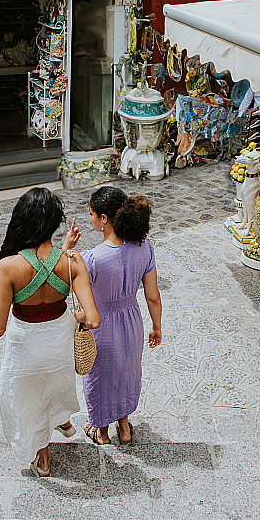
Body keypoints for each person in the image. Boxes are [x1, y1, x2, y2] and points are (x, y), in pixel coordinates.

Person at [0, 187, 100, 477]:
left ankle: (42, 457)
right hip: (59, 342)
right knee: (54, 383)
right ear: (55, 223)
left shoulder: (7, 267)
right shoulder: (73, 261)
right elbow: (93, 319)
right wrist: (79, 317)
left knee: (28, 398)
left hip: (25, 344)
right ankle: (62, 420)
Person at [65, 186, 162, 445]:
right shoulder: (145, 247)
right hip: (132, 322)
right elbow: (153, 296)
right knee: (126, 374)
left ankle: (102, 432)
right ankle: (125, 427)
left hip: (101, 325)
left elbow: (66, 283)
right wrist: (156, 326)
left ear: (104, 218)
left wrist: (67, 248)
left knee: (100, 378)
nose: (90, 219)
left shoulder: (91, 258)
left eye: (92, 214)